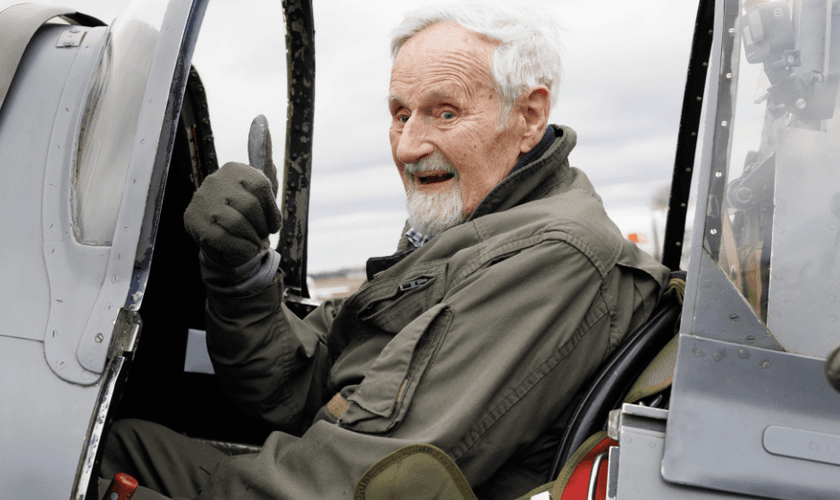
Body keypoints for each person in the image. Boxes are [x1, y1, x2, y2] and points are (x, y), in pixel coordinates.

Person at [99, 4, 670, 499]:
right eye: (400, 114)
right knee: (125, 442)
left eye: (445, 112)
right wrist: (241, 273)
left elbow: (369, 480)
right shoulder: (469, 228)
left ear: (529, 115)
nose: (410, 145)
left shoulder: (554, 258)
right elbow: (301, 386)